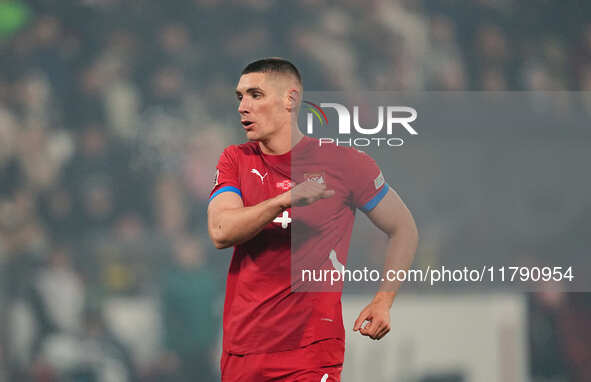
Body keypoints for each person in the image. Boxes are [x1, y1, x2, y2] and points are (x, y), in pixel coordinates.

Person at [207, 57, 418, 381]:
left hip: (311, 350)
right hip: (243, 350)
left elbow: (403, 228)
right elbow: (221, 231)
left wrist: (384, 299)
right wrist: (283, 201)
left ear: (290, 99)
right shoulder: (235, 159)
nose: (243, 107)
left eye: (255, 95)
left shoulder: (345, 164)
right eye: (240, 97)